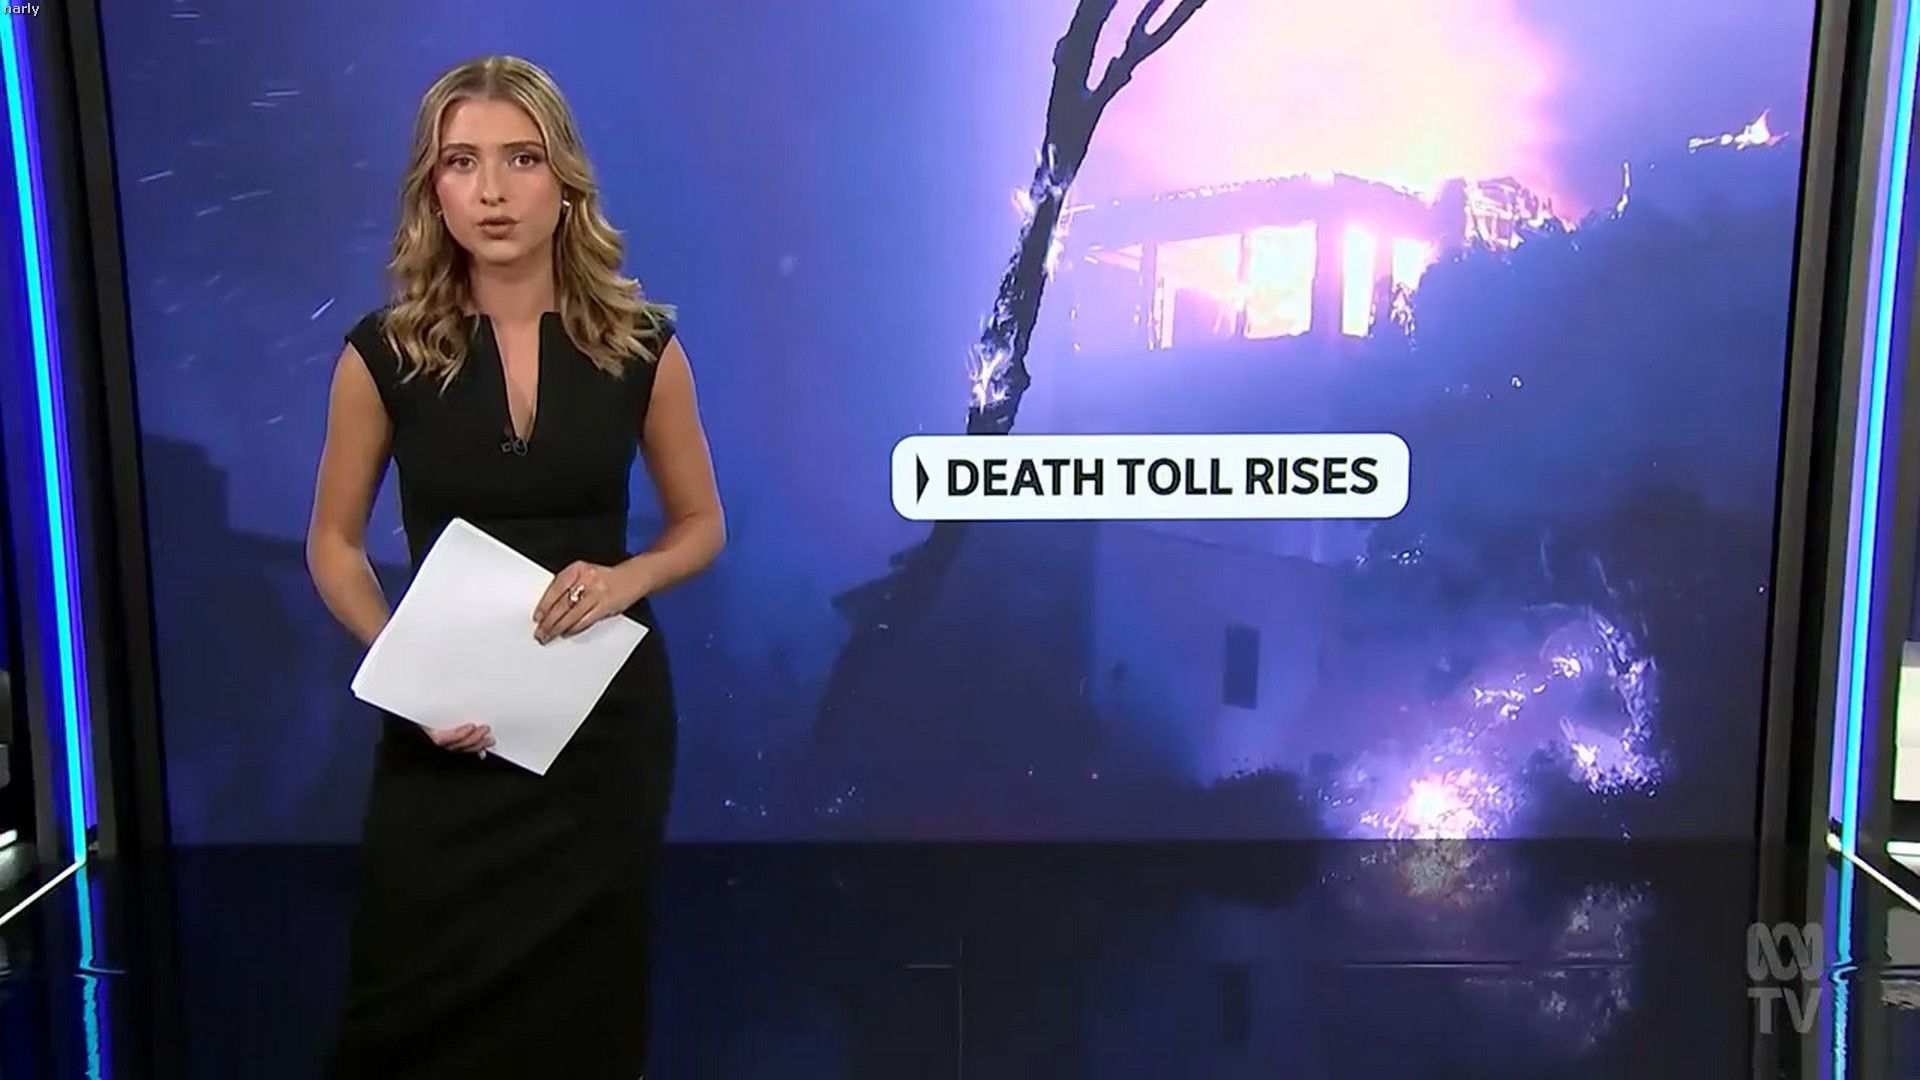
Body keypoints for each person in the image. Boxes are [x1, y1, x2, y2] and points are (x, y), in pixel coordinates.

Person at [306, 55, 724, 1078]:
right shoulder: (382, 354)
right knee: (410, 1012)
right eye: (462, 162)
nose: (491, 191)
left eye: (520, 159)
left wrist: (625, 580)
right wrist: (407, 671)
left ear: (564, 180)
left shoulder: (642, 347)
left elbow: (700, 523)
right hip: (442, 730)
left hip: (600, 735)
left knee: (584, 1015)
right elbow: (334, 545)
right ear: (433, 190)